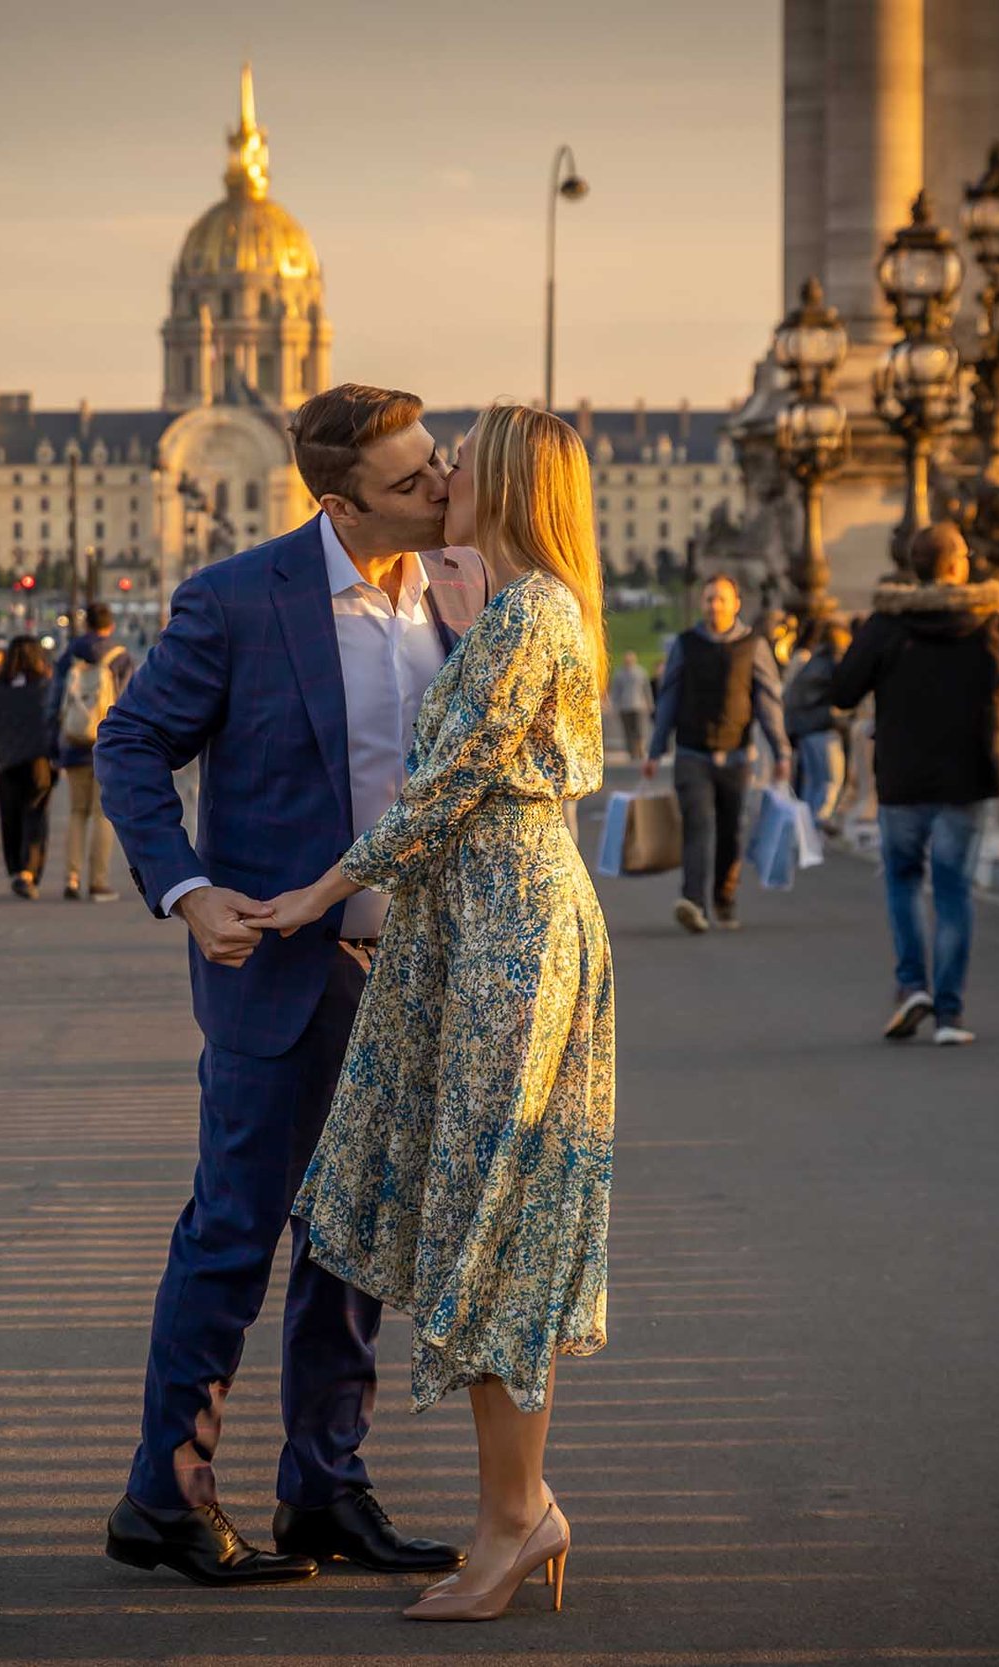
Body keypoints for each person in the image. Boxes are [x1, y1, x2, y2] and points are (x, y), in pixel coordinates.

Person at [93, 383, 487, 1590]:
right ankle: (165, 1494)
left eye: (437, 466)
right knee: (233, 1235)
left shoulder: (465, 591)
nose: (439, 489)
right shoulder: (236, 598)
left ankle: (325, 1487)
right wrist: (187, 886)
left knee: (356, 1247)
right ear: (338, 499)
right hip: (276, 964)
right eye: (413, 479)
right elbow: (129, 743)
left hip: (411, 970)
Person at [267, 402, 613, 1622]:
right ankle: (519, 1510)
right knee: (486, 1208)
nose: (445, 474)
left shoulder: (527, 611)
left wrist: (316, 890)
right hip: (491, 917)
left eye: (465, 461)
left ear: (510, 485)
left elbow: (443, 786)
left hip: (511, 924)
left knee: (494, 1211)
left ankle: (514, 1518)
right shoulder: (525, 605)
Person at [823, 523, 999, 1045]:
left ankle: (913, 984)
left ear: (914, 568)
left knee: (904, 882)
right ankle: (951, 1015)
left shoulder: (889, 624)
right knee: (954, 891)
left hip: (903, 776)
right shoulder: (993, 623)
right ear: (959, 565)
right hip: (969, 774)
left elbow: (842, 691)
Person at [641, 574, 790, 934]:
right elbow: (669, 699)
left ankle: (724, 896)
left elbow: (768, 700)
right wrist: (656, 749)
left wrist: (781, 750)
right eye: (709, 599)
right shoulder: (685, 644)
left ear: (736, 604)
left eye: (722, 599)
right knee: (698, 826)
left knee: (730, 832)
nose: (714, 605)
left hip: (737, 757)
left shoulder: (752, 645)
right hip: (692, 753)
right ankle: (694, 902)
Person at [51, 603, 135, 902]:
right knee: (102, 815)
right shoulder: (120, 657)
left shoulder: (69, 656)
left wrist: (54, 743)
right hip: (107, 745)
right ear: (110, 626)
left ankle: (71, 878)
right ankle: (98, 882)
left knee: (76, 812)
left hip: (74, 743)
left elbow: (55, 701)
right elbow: (129, 703)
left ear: (86, 625)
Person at [0, 636, 58, 897]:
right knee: (35, 814)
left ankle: (16, 868)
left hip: (6, 761)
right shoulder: (46, 686)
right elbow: (56, 721)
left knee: (10, 816)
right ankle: (29, 871)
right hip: (40, 761)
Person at [784, 614, 856, 836]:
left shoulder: (814, 661)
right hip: (823, 727)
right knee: (830, 781)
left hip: (805, 728)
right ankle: (817, 825)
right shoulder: (832, 661)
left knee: (812, 781)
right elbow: (846, 693)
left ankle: (804, 831)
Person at [605, 651, 653, 763]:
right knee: (628, 730)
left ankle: (640, 750)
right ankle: (632, 752)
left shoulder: (641, 672)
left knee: (639, 730)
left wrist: (649, 702)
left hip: (638, 706)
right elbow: (615, 691)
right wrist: (613, 705)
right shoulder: (619, 674)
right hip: (624, 706)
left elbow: (646, 689)